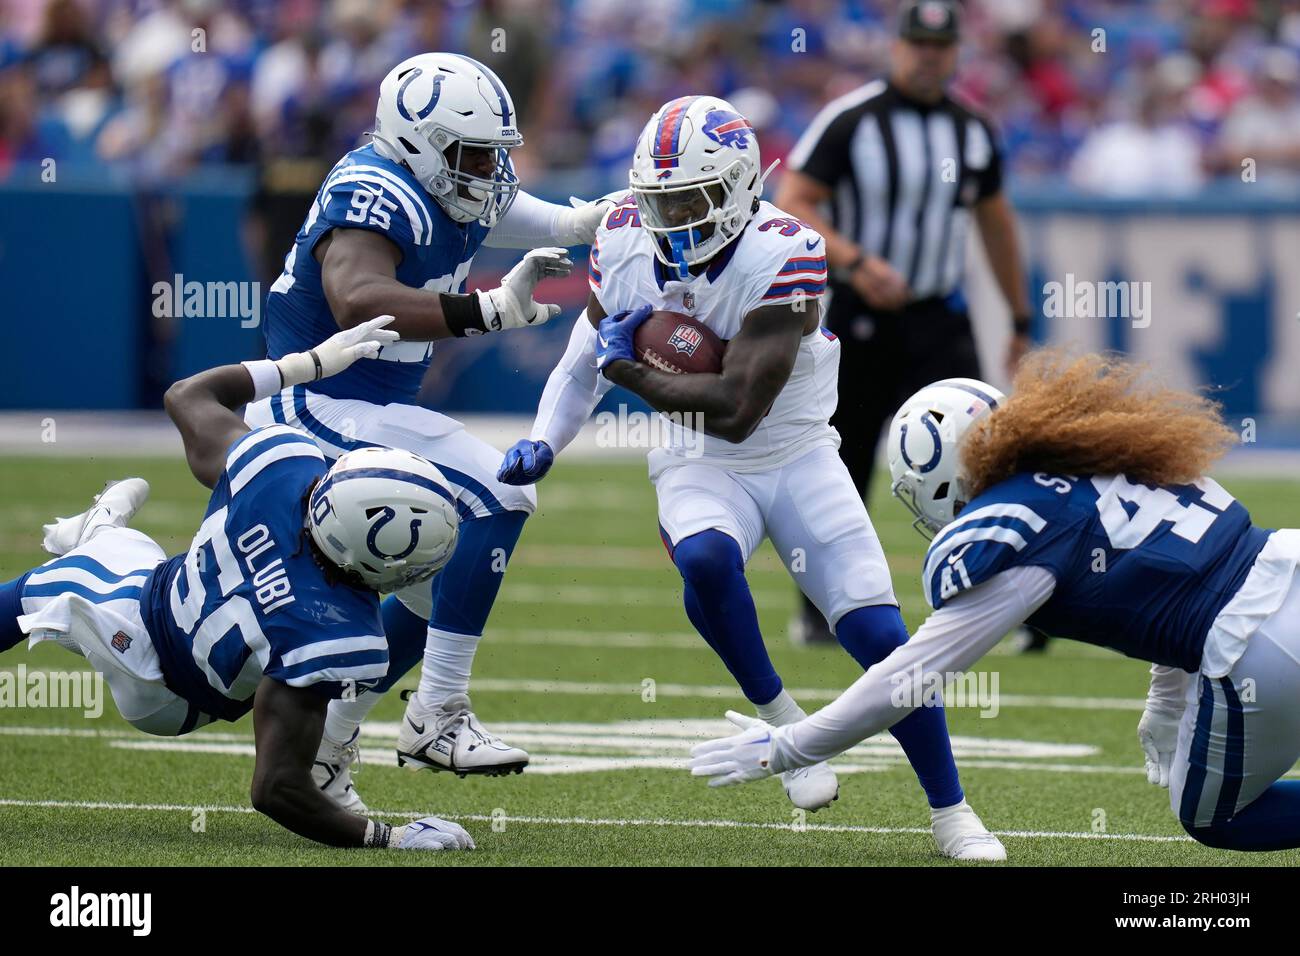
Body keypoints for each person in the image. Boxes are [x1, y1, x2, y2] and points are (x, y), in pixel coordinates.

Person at [497, 94, 1004, 860]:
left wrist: (627, 366)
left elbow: (735, 406)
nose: (670, 215)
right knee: (704, 557)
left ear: (737, 187)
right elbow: (583, 355)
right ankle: (778, 712)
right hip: (696, 459)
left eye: (689, 197)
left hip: (795, 451)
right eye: (657, 197)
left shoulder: (785, 249)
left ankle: (951, 810)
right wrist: (545, 440)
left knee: (881, 637)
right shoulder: (625, 239)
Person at [690, 351, 1300, 854]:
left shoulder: (1012, 528)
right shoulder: (1108, 452)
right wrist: (1165, 702)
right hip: (1287, 561)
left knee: (1214, 817)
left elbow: (909, 677)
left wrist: (788, 746)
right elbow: (1188, 570)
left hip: (1258, 650)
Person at [242, 52, 612, 802]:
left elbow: (504, 208)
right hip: (314, 401)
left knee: (428, 562)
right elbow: (355, 297)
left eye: (495, 152)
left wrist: (584, 221)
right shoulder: (374, 188)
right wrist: (483, 310)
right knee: (501, 493)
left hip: (367, 406)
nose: (489, 168)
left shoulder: (448, 182)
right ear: (419, 142)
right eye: (474, 152)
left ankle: (330, 747)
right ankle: (438, 710)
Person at [0, 318, 475, 852]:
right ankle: (100, 532)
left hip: (152, 626)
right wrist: (389, 838)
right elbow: (277, 787)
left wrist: (306, 364)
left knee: (80, 575)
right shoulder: (339, 634)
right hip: (162, 669)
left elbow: (188, 394)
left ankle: (99, 535)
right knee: (93, 570)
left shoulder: (280, 467)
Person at [774, 0, 1034, 645]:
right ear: (898, 48)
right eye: (918, 44)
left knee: (986, 454)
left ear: (955, 54)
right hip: (862, 315)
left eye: (940, 47)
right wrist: (856, 262)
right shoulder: (852, 120)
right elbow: (793, 203)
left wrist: (1019, 316)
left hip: (941, 318)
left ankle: (1003, 598)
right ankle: (822, 606)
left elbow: (996, 222)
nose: (928, 56)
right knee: (844, 458)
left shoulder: (973, 129)